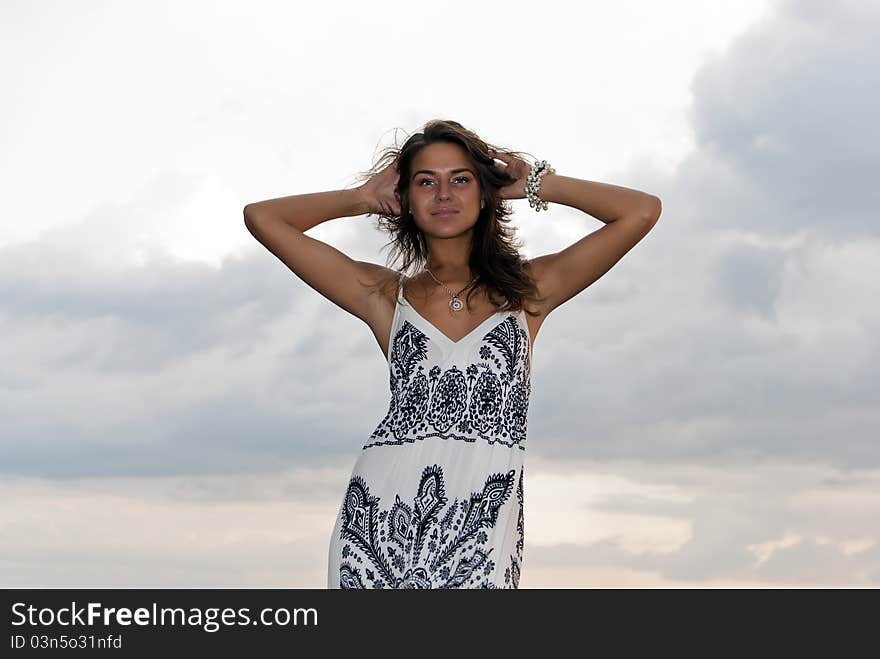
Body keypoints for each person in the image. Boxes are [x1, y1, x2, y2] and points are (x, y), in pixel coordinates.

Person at [243, 119, 662, 588]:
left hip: (479, 536)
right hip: (381, 526)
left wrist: (537, 183)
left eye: (460, 179)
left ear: (485, 192)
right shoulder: (383, 296)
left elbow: (641, 212)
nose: (443, 194)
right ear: (405, 200)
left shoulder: (528, 292)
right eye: (426, 182)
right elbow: (263, 218)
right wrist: (360, 197)